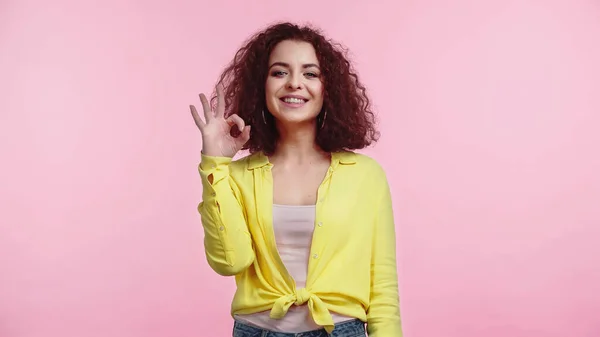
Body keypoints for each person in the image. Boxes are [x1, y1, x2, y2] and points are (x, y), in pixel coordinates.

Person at [190, 22, 402, 337]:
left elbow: (382, 285)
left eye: (310, 73)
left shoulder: (365, 175)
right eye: (279, 72)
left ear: (328, 88)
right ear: (261, 86)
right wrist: (215, 163)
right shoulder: (233, 176)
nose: (294, 84)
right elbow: (230, 262)